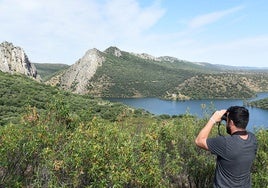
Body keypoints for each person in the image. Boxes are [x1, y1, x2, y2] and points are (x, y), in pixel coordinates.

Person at [195, 106, 258, 188]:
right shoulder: (253, 139)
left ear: (231, 122)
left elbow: (199, 141)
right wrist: (228, 118)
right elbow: (239, 133)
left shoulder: (225, 143)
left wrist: (213, 119)